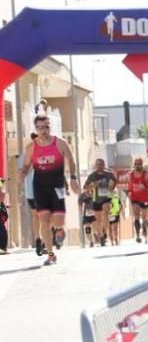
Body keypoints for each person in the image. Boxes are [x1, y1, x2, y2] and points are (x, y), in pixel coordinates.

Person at [18, 114, 80, 265]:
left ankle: (59, 228)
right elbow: (26, 165)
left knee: (57, 220)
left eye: (46, 127)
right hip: (40, 187)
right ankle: (50, 254)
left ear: (49, 127)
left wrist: (72, 178)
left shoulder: (60, 143)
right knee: (43, 219)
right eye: (40, 128)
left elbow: (71, 160)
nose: (43, 131)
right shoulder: (31, 147)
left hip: (57, 186)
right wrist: (23, 174)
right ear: (36, 129)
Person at [84, 158, 117, 246]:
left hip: (106, 197)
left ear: (104, 165)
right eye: (98, 164)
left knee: (106, 213)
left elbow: (114, 182)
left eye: (101, 164)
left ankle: (104, 232)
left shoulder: (109, 174)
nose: (100, 166)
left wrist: (111, 187)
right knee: (98, 220)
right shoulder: (92, 176)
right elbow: (85, 187)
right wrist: (93, 186)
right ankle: (101, 235)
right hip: (96, 199)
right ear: (96, 165)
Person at [126, 157, 148, 244]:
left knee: (144, 217)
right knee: (136, 216)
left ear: (142, 165)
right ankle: (137, 235)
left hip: (144, 197)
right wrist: (129, 192)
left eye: (139, 164)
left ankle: (144, 228)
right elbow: (129, 184)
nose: (137, 166)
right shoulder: (131, 174)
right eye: (136, 164)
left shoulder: (145, 174)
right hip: (135, 198)